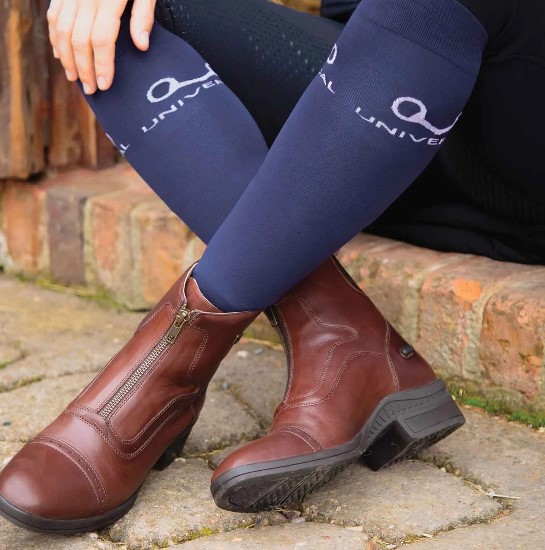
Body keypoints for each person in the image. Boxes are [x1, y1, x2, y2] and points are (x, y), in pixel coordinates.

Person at [0, 0, 542, 534]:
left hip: (508, 139)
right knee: (115, 18)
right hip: (369, 114)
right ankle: (344, 339)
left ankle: (163, 369)